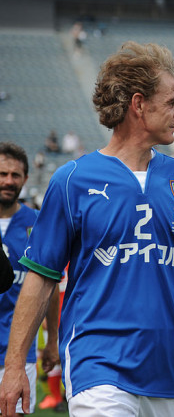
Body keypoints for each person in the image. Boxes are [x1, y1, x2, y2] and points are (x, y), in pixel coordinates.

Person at [0, 41, 174, 417]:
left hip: (171, 367)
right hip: (98, 363)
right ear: (139, 105)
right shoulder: (72, 180)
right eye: (171, 102)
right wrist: (13, 369)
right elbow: (40, 279)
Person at [0, 142, 47, 416]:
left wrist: (50, 342)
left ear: (25, 179)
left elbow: (47, 287)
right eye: (2, 174)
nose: (8, 181)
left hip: (18, 353)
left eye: (15, 175)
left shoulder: (39, 224)